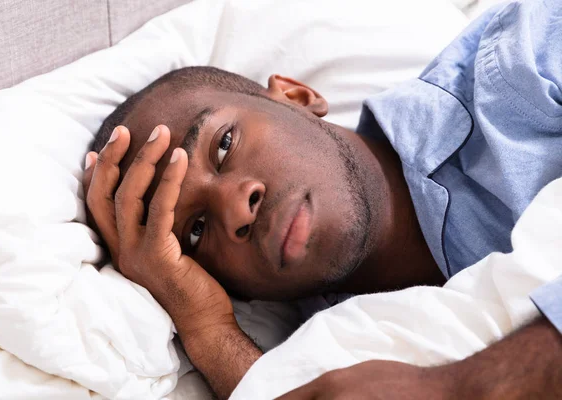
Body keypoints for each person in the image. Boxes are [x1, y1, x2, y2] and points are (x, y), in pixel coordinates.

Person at [82, 0, 562, 398]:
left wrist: (465, 387)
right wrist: (206, 327)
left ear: (295, 96)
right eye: (196, 230)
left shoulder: (526, 62)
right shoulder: (334, 354)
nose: (235, 209)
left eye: (223, 144)